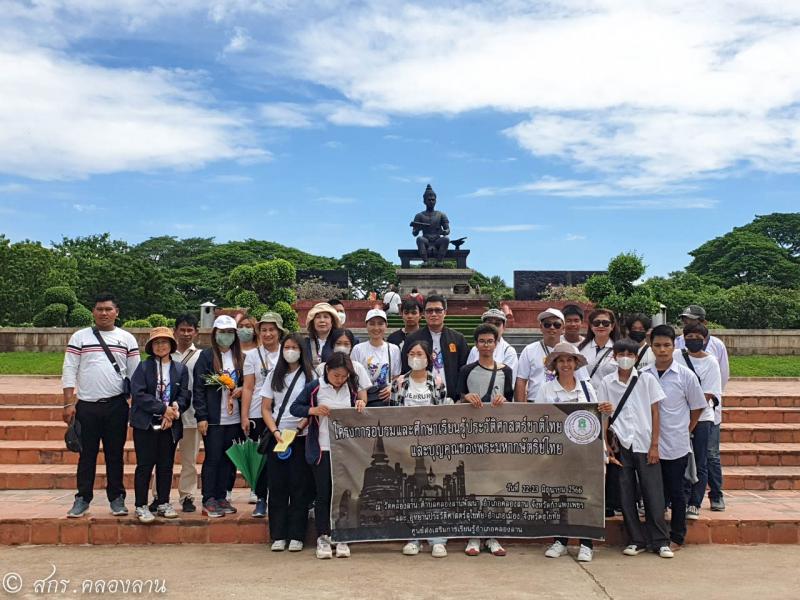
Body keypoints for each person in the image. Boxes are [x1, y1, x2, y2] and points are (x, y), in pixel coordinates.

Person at [62, 293, 140, 518]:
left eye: (108, 309)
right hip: (86, 405)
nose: (103, 313)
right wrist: (68, 403)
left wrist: (135, 405)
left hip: (117, 406)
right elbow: (69, 370)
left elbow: (135, 375)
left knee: (115, 454)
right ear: (93, 312)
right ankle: (82, 498)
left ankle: (117, 498)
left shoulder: (127, 339)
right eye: (99, 309)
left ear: (117, 312)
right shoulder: (80, 337)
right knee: (86, 455)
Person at [597, 338, 673, 558]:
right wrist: (605, 445)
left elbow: (656, 412)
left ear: (636, 358)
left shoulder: (646, 380)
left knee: (653, 493)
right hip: (620, 443)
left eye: (630, 355)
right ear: (614, 356)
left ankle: (660, 540)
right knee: (625, 493)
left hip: (644, 441)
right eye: (621, 354)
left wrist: (655, 445)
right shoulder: (607, 382)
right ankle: (635, 539)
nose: (625, 358)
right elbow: (603, 415)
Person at [537, 342, 611, 562]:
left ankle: (586, 544)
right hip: (558, 453)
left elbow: (598, 421)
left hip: (585, 453)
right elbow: (539, 420)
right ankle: (560, 541)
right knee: (560, 496)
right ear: (555, 365)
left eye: (570, 360)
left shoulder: (588, 388)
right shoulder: (546, 389)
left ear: (576, 363)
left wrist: (606, 411)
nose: (566, 364)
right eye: (561, 360)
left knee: (586, 496)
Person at [290, 352, 367, 559]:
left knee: (343, 494)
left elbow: (359, 411)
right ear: (327, 371)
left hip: (345, 450)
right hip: (322, 448)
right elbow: (295, 408)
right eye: (336, 376)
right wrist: (313, 410)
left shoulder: (351, 388)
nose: (339, 380)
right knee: (324, 494)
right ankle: (323, 536)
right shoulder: (315, 387)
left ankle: (342, 534)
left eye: (343, 376)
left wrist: (360, 404)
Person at [642, 325, 706, 550]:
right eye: (657, 346)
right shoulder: (643, 375)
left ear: (674, 346)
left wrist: (687, 428)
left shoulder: (685, 376)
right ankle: (656, 536)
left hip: (676, 443)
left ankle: (677, 536)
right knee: (653, 493)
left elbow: (698, 406)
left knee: (677, 491)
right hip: (649, 444)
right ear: (651, 347)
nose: (662, 350)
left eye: (667, 345)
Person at [389, 340, 449, 558]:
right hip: (407, 446)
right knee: (411, 492)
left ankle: (437, 539)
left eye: (420, 353)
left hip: (432, 446)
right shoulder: (399, 383)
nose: (416, 357)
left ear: (428, 358)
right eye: (412, 353)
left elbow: (442, 415)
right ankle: (413, 537)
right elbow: (393, 414)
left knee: (434, 493)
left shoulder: (438, 382)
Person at [457, 324, 514, 557]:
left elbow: (510, 401)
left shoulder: (506, 371)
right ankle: (473, 535)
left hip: (496, 435)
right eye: (482, 341)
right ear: (476, 344)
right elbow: (457, 398)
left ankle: (492, 535)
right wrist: (466, 397)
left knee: (494, 483)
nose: (486, 345)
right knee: (473, 484)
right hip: (472, 434)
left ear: (497, 343)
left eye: (490, 341)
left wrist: (504, 402)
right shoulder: (466, 370)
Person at [260, 333, 315, 552]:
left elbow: (315, 406)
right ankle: (278, 535)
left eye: (295, 347)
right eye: (287, 347)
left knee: (299, 487)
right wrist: (274, 431)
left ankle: (296, 535)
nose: (290, 351)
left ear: (302, 351)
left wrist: (300, 428)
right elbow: (265, 407)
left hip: (301, 436)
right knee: (277, 486)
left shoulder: (311, 376)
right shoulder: (275, 374)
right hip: (278, 437)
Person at [129, 327, 190, 523]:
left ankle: (163, 502)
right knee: (145, 465)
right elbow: (138, 394)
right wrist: (162, 409)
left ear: (171, 345)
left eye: (164, 342)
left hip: (169, 424)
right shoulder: (143, 367)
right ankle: (141, 505)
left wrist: (173, 410)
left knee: (166, 465)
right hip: (145, 423)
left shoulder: (180, 369)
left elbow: (184, 395)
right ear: (151, 346)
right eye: (156, 342)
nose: (161, 346)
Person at [674, 304, 730, 511]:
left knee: (708, 456)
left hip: (706, 413)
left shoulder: (716, 350)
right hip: (680, 415)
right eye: (686, 322)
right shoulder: (677, 350)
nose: (689, 327)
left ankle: (712, 495)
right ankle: (681, 497)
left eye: (693, 321)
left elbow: (720, 380)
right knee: (680, 457)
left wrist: (696, 410)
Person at [193, 315, 244, 518]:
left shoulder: (240, 357)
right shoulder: (206, 357)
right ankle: (209, 498)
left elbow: (249, 384)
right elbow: (198, 388)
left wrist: (240, 390)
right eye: (222, 332)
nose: (226, 336)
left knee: (228, 459)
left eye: (230, 332)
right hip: (214, 418)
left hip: (235, 418)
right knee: (213, 458)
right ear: (215, 334)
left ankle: (222, 496)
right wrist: (201, 416)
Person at [241, 312, 285, 516]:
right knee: (261, 458)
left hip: (282, 412)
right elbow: (248, 387)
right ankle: (260, 497)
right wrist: (244, 416)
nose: (268, 334)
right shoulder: (251, 355)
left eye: (272, 330)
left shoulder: (288, 351)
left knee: (282, 457)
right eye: (264, 330)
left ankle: (281, 498)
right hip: (258, 411)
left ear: (279, 331)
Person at [401, 294, 469, 400]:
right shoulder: (412, 339)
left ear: (445, 313)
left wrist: (460, 394)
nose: (433, 314)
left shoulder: (458, 339)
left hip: (451, 398)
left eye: (438, 310)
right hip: (420, 398)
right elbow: (406, 367)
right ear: (424, 314)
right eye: (429, 311)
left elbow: (464, 369)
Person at [172, 314, 202, 513]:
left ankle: (188, 496)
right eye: (182, 329)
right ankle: (159, 495)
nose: (185, 334)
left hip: (191, 413)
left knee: (190, 459)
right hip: (167, 414)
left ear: (196, 332)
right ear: (175, 331)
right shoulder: (165, 352)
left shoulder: (201, 356)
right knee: (162, 457)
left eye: (189, 330)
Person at [350, 309, 401, 407]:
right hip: (364, 399)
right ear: (366, 325)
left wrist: (392, 388)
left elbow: (396, 375)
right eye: (372, 324)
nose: (376, 328)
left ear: (386, 326)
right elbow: (353, 376)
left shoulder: (394, 349)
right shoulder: (358, 349)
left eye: (380, 324)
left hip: (386, 397)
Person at [515, 308, 564, 402]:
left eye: (557, 325)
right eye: (547, 324)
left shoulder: (570, 350)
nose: (552, 327)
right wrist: (520, 407)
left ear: (563, 328)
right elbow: (521, 380)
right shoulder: (529, 350)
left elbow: (581, 379)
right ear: (541, 327)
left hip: (562, 403)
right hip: (535, 402)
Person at [467, 308, 518, 380]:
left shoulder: (509, 352)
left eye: (497, 324)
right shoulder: (475, 350)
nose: (493, 327)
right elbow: (468, 375)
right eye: (489, 323)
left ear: (504, 327)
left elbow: (509, 381)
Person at [578, 308, 621, 389]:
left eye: (605, 323)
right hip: (586, 398)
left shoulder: (620, 350)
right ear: (591, 326)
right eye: (596, 323)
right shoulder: (580, 349)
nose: (601, 326)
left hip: (610, 397)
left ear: (612, 326)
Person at [410, 184, 450, 261]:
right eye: (429, 200)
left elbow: (448, 230)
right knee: (419, 239)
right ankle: (425, 261)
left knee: (446, 239)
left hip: (437, 240)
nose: (431, 201)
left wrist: (445, 232)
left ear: (436, 201)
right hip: (426, 240)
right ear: (424, 201)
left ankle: (439, 261)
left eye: (433, 199)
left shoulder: (441, 215)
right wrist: (418, 229)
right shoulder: (419, 215)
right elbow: (414, 233)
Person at [304, 302, 341, 368]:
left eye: (326, 317)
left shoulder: (340, 342)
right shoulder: (304, 343)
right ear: (313, 322)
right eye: (318, 317)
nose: (322, 320)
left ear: (332, 321)